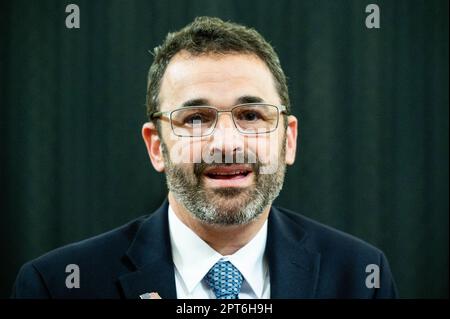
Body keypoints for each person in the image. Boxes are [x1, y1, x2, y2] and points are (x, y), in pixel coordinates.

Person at [12, 16, 397, 299]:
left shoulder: (361, 277)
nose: (227, 142)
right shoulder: (58, 285)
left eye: (251, 115)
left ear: (289, 140)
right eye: (196, 118)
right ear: (156, 146)